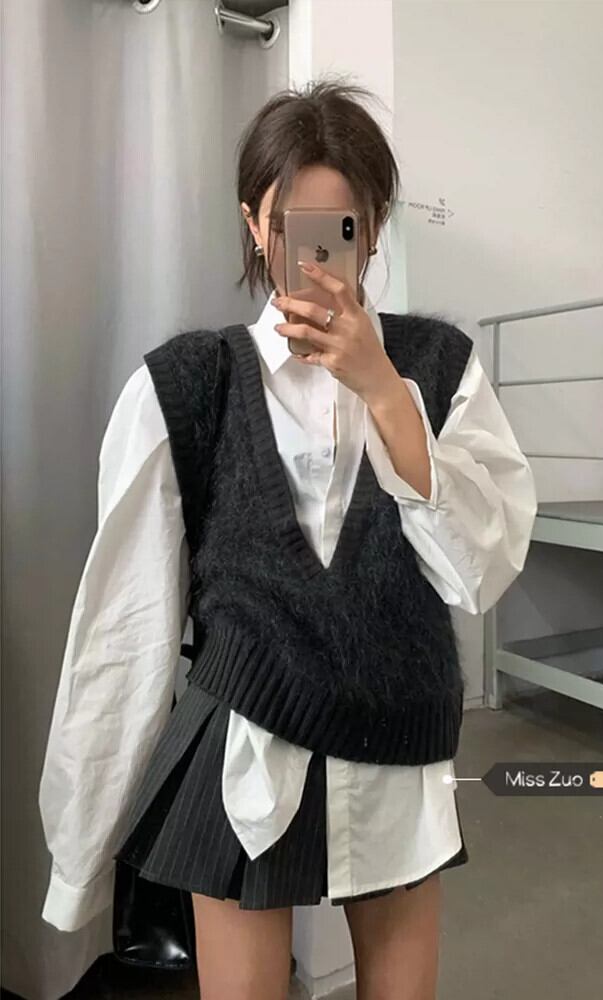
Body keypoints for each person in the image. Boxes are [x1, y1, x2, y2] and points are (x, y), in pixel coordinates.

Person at [39, 77, 537, 1000]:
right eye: (289, 227)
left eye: (341, 229)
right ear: (252, 223)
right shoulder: (187, 385)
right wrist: (81, 849)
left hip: (398, 742)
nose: (316, 257)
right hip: (244, 748)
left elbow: (482, 570)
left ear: (374, 230)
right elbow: (124, 629)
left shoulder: (440, 369)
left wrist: (384, 391)